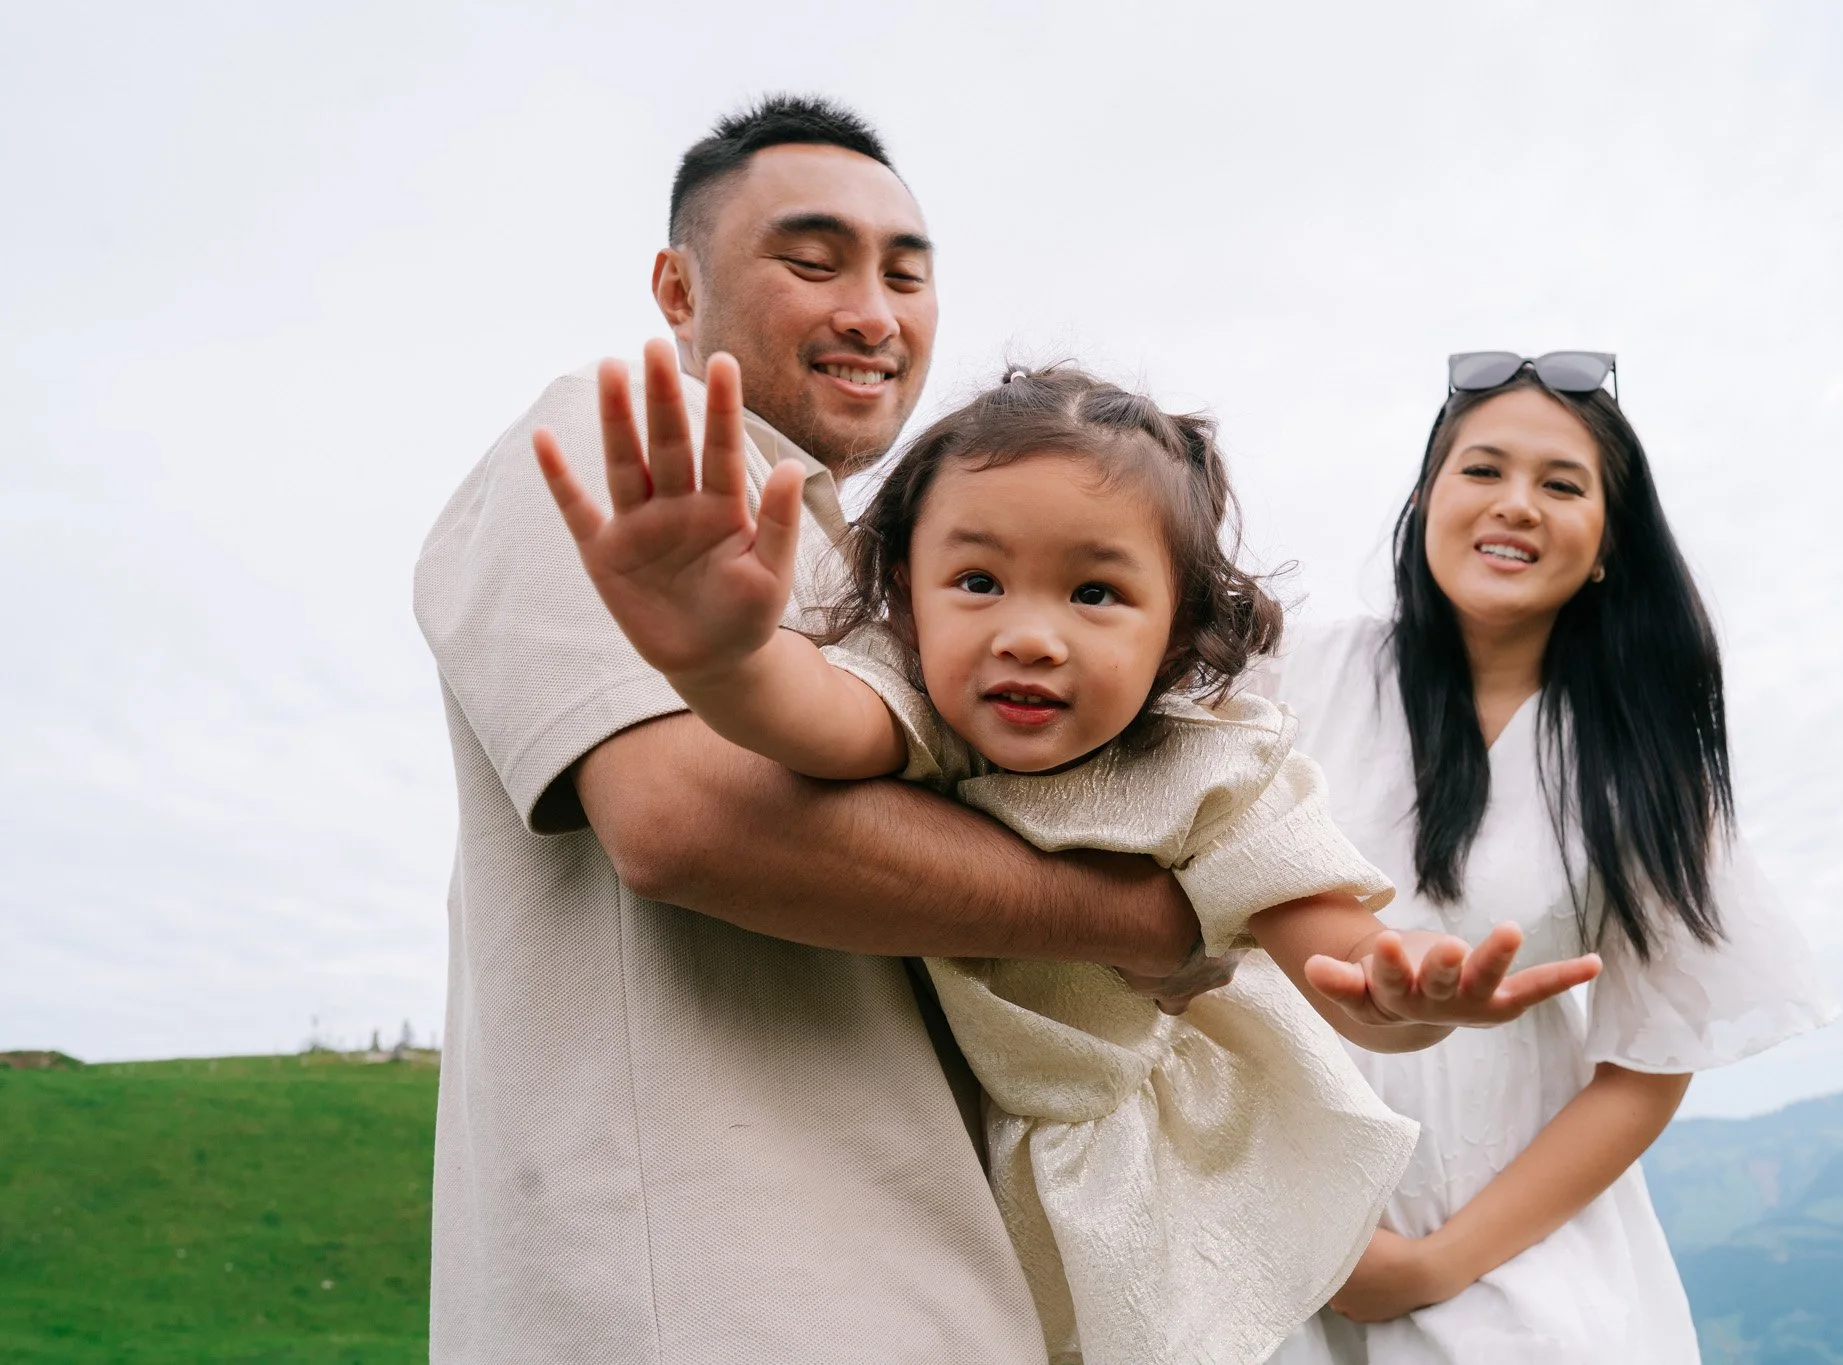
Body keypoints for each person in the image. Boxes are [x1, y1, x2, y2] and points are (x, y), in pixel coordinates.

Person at [538, 356, 1611, 1363]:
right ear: (906, 590)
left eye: (1094, 594)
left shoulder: (1206, 771)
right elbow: (804, 717)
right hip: (946, 1155)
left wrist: (1410, 994)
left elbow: (1341, 965)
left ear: (1176, 630)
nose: (1029, 635)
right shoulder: (920, 710)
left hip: (1160, 1171)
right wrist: (719, 655)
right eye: (975, 581)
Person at [412, 96, 1228, 1364]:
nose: (873, 312)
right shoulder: (617, 447)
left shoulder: (896, 573)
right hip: (713, 1284)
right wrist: (1157, 918)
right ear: (676, 291)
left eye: (908, 276)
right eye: (811, 261)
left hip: (922, 1277)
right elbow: (685, 818)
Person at [1264, 352, 1838, 1364]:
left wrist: (1436, 1264)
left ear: (1608, 542)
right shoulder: (1290, 673)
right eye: (1480, 470)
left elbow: (1648, 1061)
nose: (1515, 504)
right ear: (1422, 502)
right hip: (1258, 1192)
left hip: (1505, 1245)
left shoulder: (1639, 766)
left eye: (1560, 484)